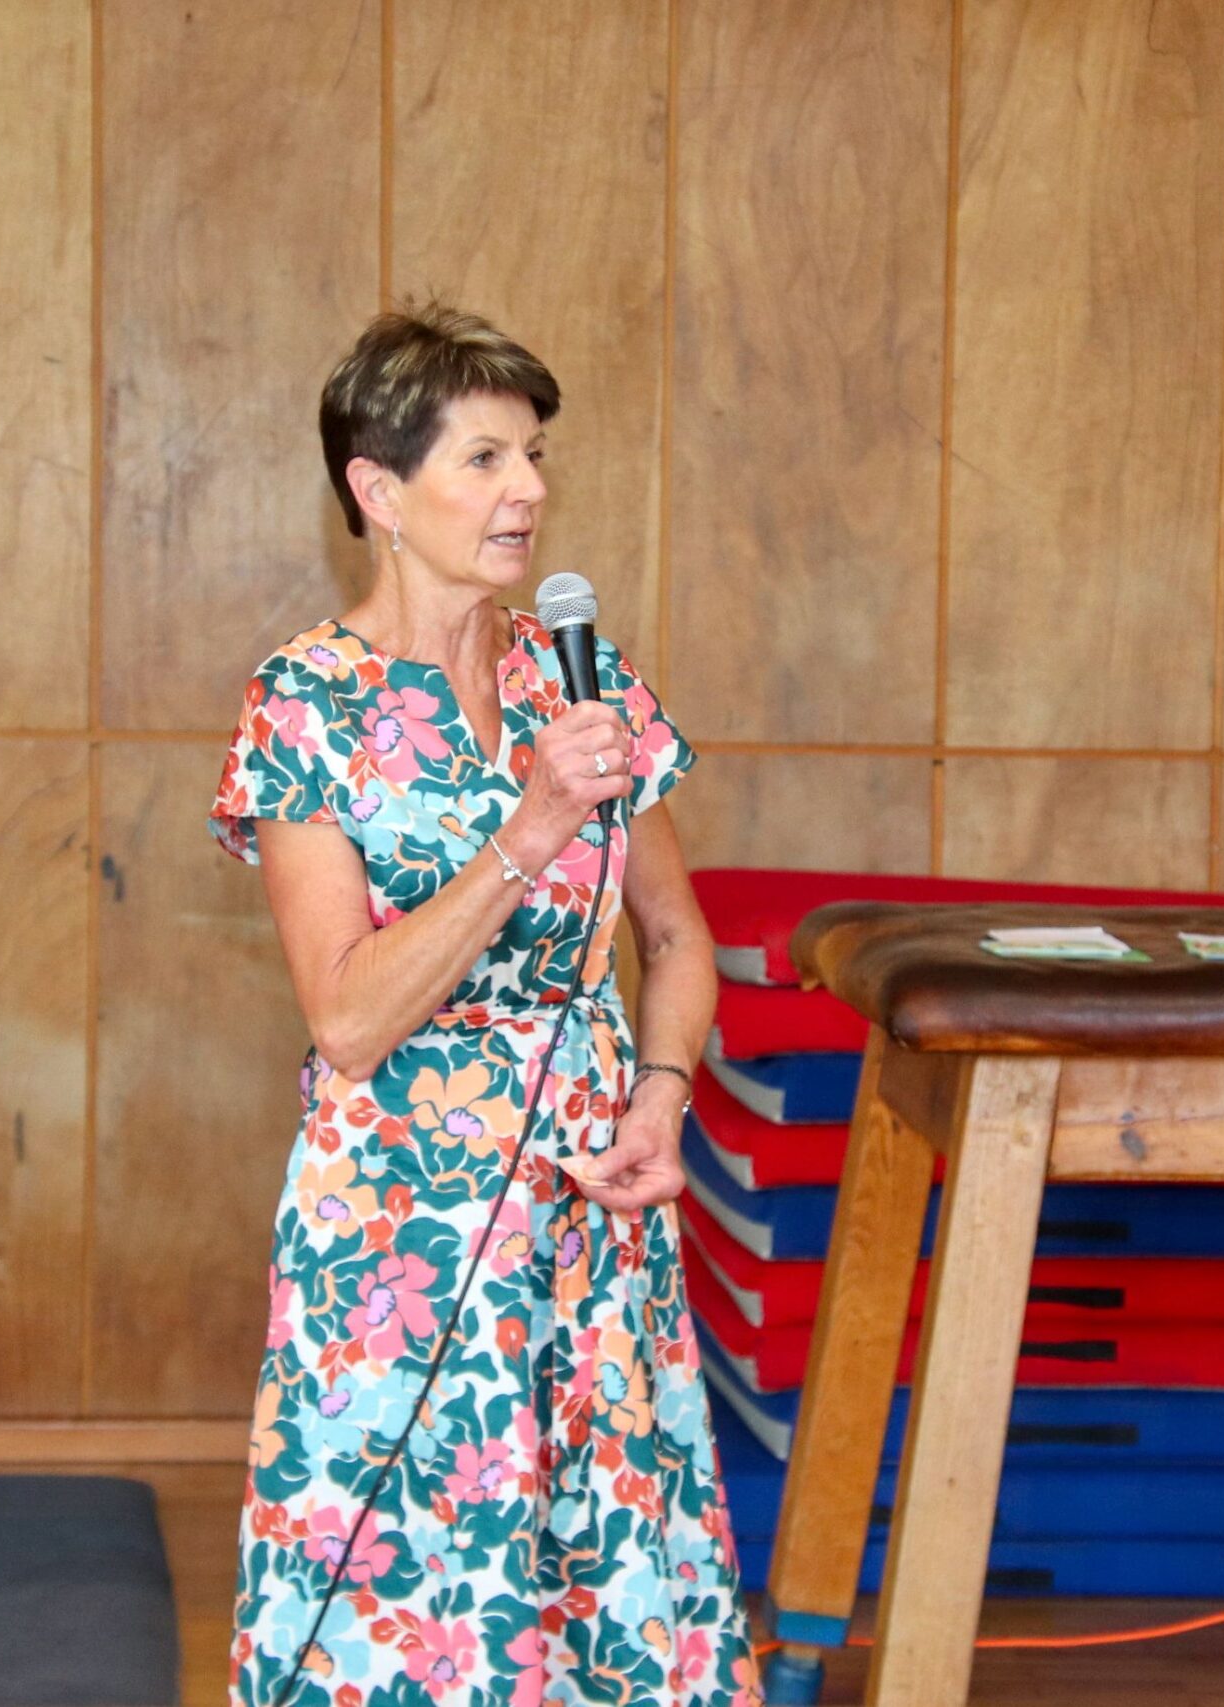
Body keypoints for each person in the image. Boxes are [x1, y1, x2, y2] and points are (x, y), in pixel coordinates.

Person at [208, 302, 762, 1707]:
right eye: (484, 458)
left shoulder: (585, 682)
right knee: (408, 1595)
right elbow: (346, 1019)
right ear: (379, 492)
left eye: (534, 456)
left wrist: (662, 1098)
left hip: (591, 1201)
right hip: (400, 1225)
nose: (527, 491)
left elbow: (677, 937)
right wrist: (529, 828)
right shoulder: (305, 705)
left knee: (600, 1578)